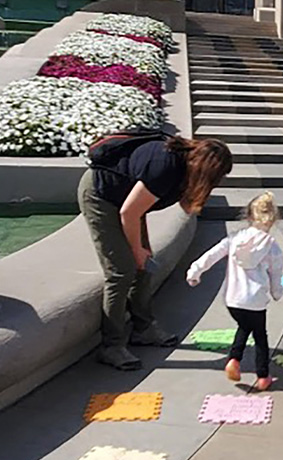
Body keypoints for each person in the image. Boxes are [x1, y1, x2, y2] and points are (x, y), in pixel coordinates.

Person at [78, 134, 234, 371]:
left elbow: (140, 207)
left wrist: (141, 252)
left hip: (124, 201)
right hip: (101, 196)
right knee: (121, 271)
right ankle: (112, 346)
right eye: (217, 176)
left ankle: (143, 329)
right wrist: (135, 249)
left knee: (144, 265)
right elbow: (128, 213)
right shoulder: (165, 166)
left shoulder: (182, 166)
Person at [186, 192, 283, 392]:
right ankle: (263, 376)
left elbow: (211, 255)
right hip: (255, 301)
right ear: (272, 220)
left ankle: (234, 359)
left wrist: (195, 271)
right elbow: (276, 275)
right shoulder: (272, 248)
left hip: (233, 300)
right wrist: (277, 293)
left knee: (244, 326)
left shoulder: (234, 239)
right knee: (260, 336)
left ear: (248, 216)